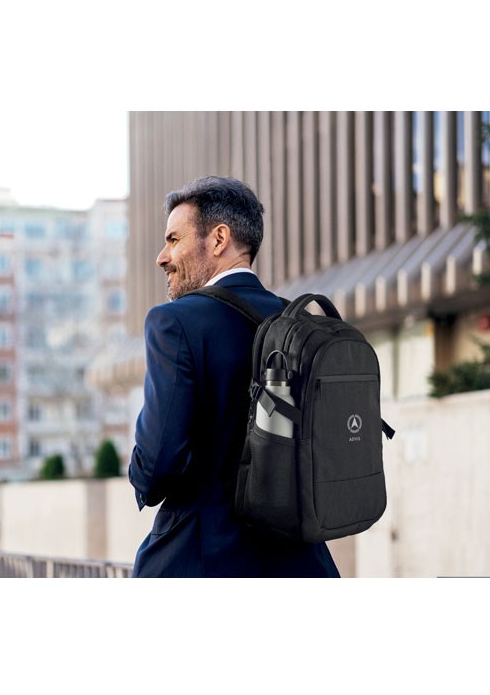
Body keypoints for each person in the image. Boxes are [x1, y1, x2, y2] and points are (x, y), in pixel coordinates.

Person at [128, 176, 339, 578]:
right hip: (304, 561)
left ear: (219, 239)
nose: (161, 257)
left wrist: (139, 474)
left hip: (205, 559)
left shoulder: (174, 322)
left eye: (174, 240)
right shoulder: (302, 323)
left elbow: (157, 465)